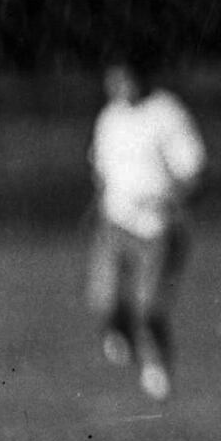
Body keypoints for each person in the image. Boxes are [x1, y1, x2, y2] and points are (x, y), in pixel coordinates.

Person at [87, 58, 204, 402]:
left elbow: (193, 168)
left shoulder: (166, 112)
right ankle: (119, 333)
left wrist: (172, 201)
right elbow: (100, 166)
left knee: (149, 306)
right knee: (103, 298)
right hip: (115, 220)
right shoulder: (109, 117)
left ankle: (156, 367)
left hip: (156, 225)